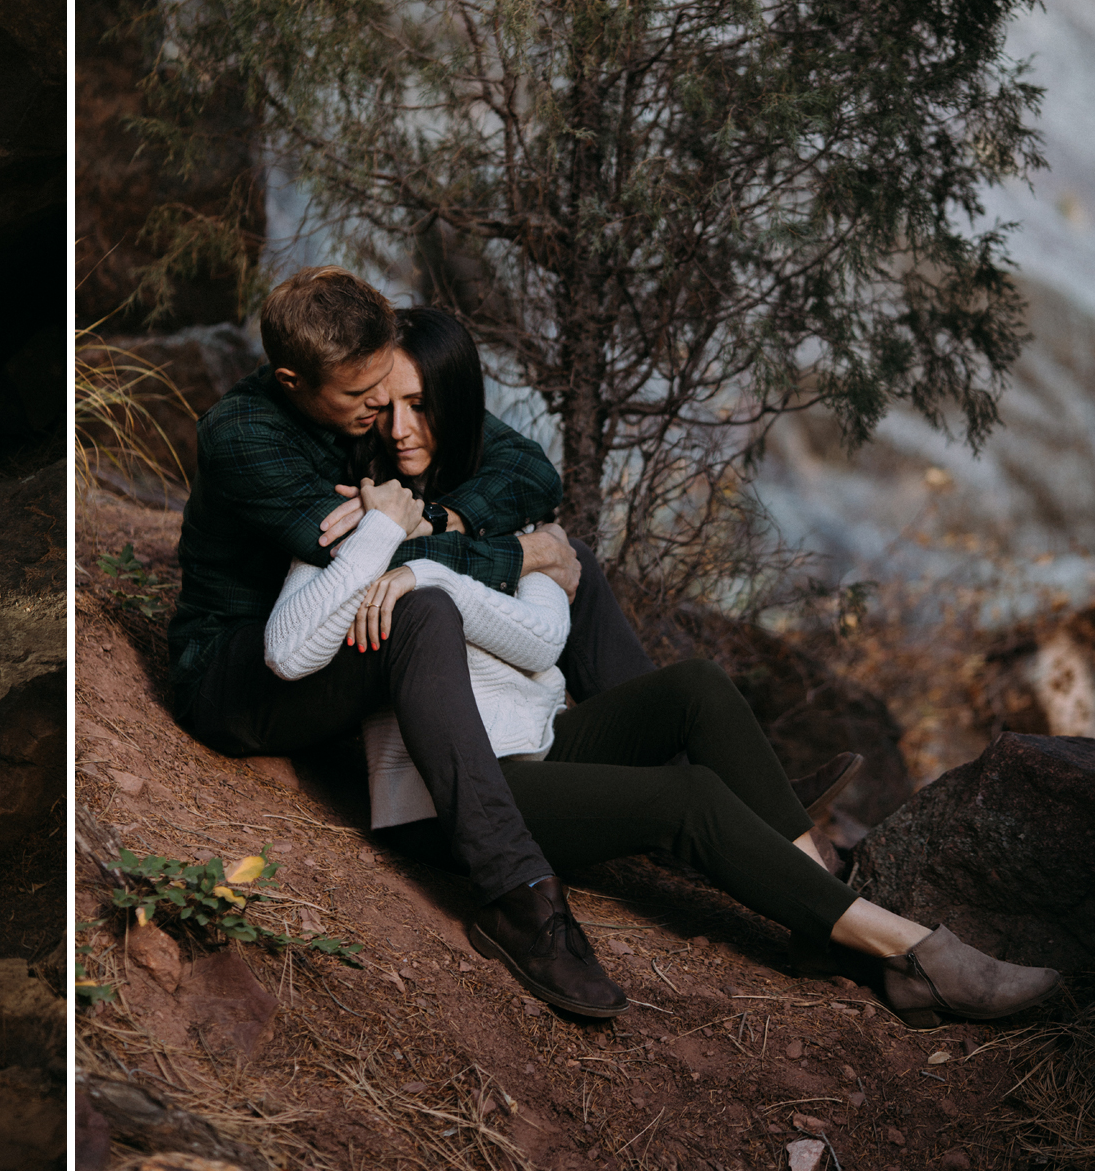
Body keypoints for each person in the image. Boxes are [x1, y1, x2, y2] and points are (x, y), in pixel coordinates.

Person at [261, 304, 1062, 1028]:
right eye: (385, 407)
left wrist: (439, 568)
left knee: (697, 687)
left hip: (537, 753)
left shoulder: (502, 503)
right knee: (688, 797)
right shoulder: (362, 509)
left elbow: (543, 640)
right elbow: (294, 638)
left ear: (460, 402)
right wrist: (384, 552)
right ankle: (910, 954)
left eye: (422, 404)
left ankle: (825, 906)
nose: (401, 428)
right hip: (448, 798)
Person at [170, 266, 630, 1013]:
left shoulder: (363, 400)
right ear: (292, 379)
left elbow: (527, 471)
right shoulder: (247, 436)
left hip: (331, 651)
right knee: (425, 609)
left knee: (579, 566)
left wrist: (447, 521)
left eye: (387, 386)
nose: (383, 409)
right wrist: (518, 554)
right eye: (363, 397)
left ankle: (660, 748)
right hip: (238, 672)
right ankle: (520, 899)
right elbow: (369, 559)